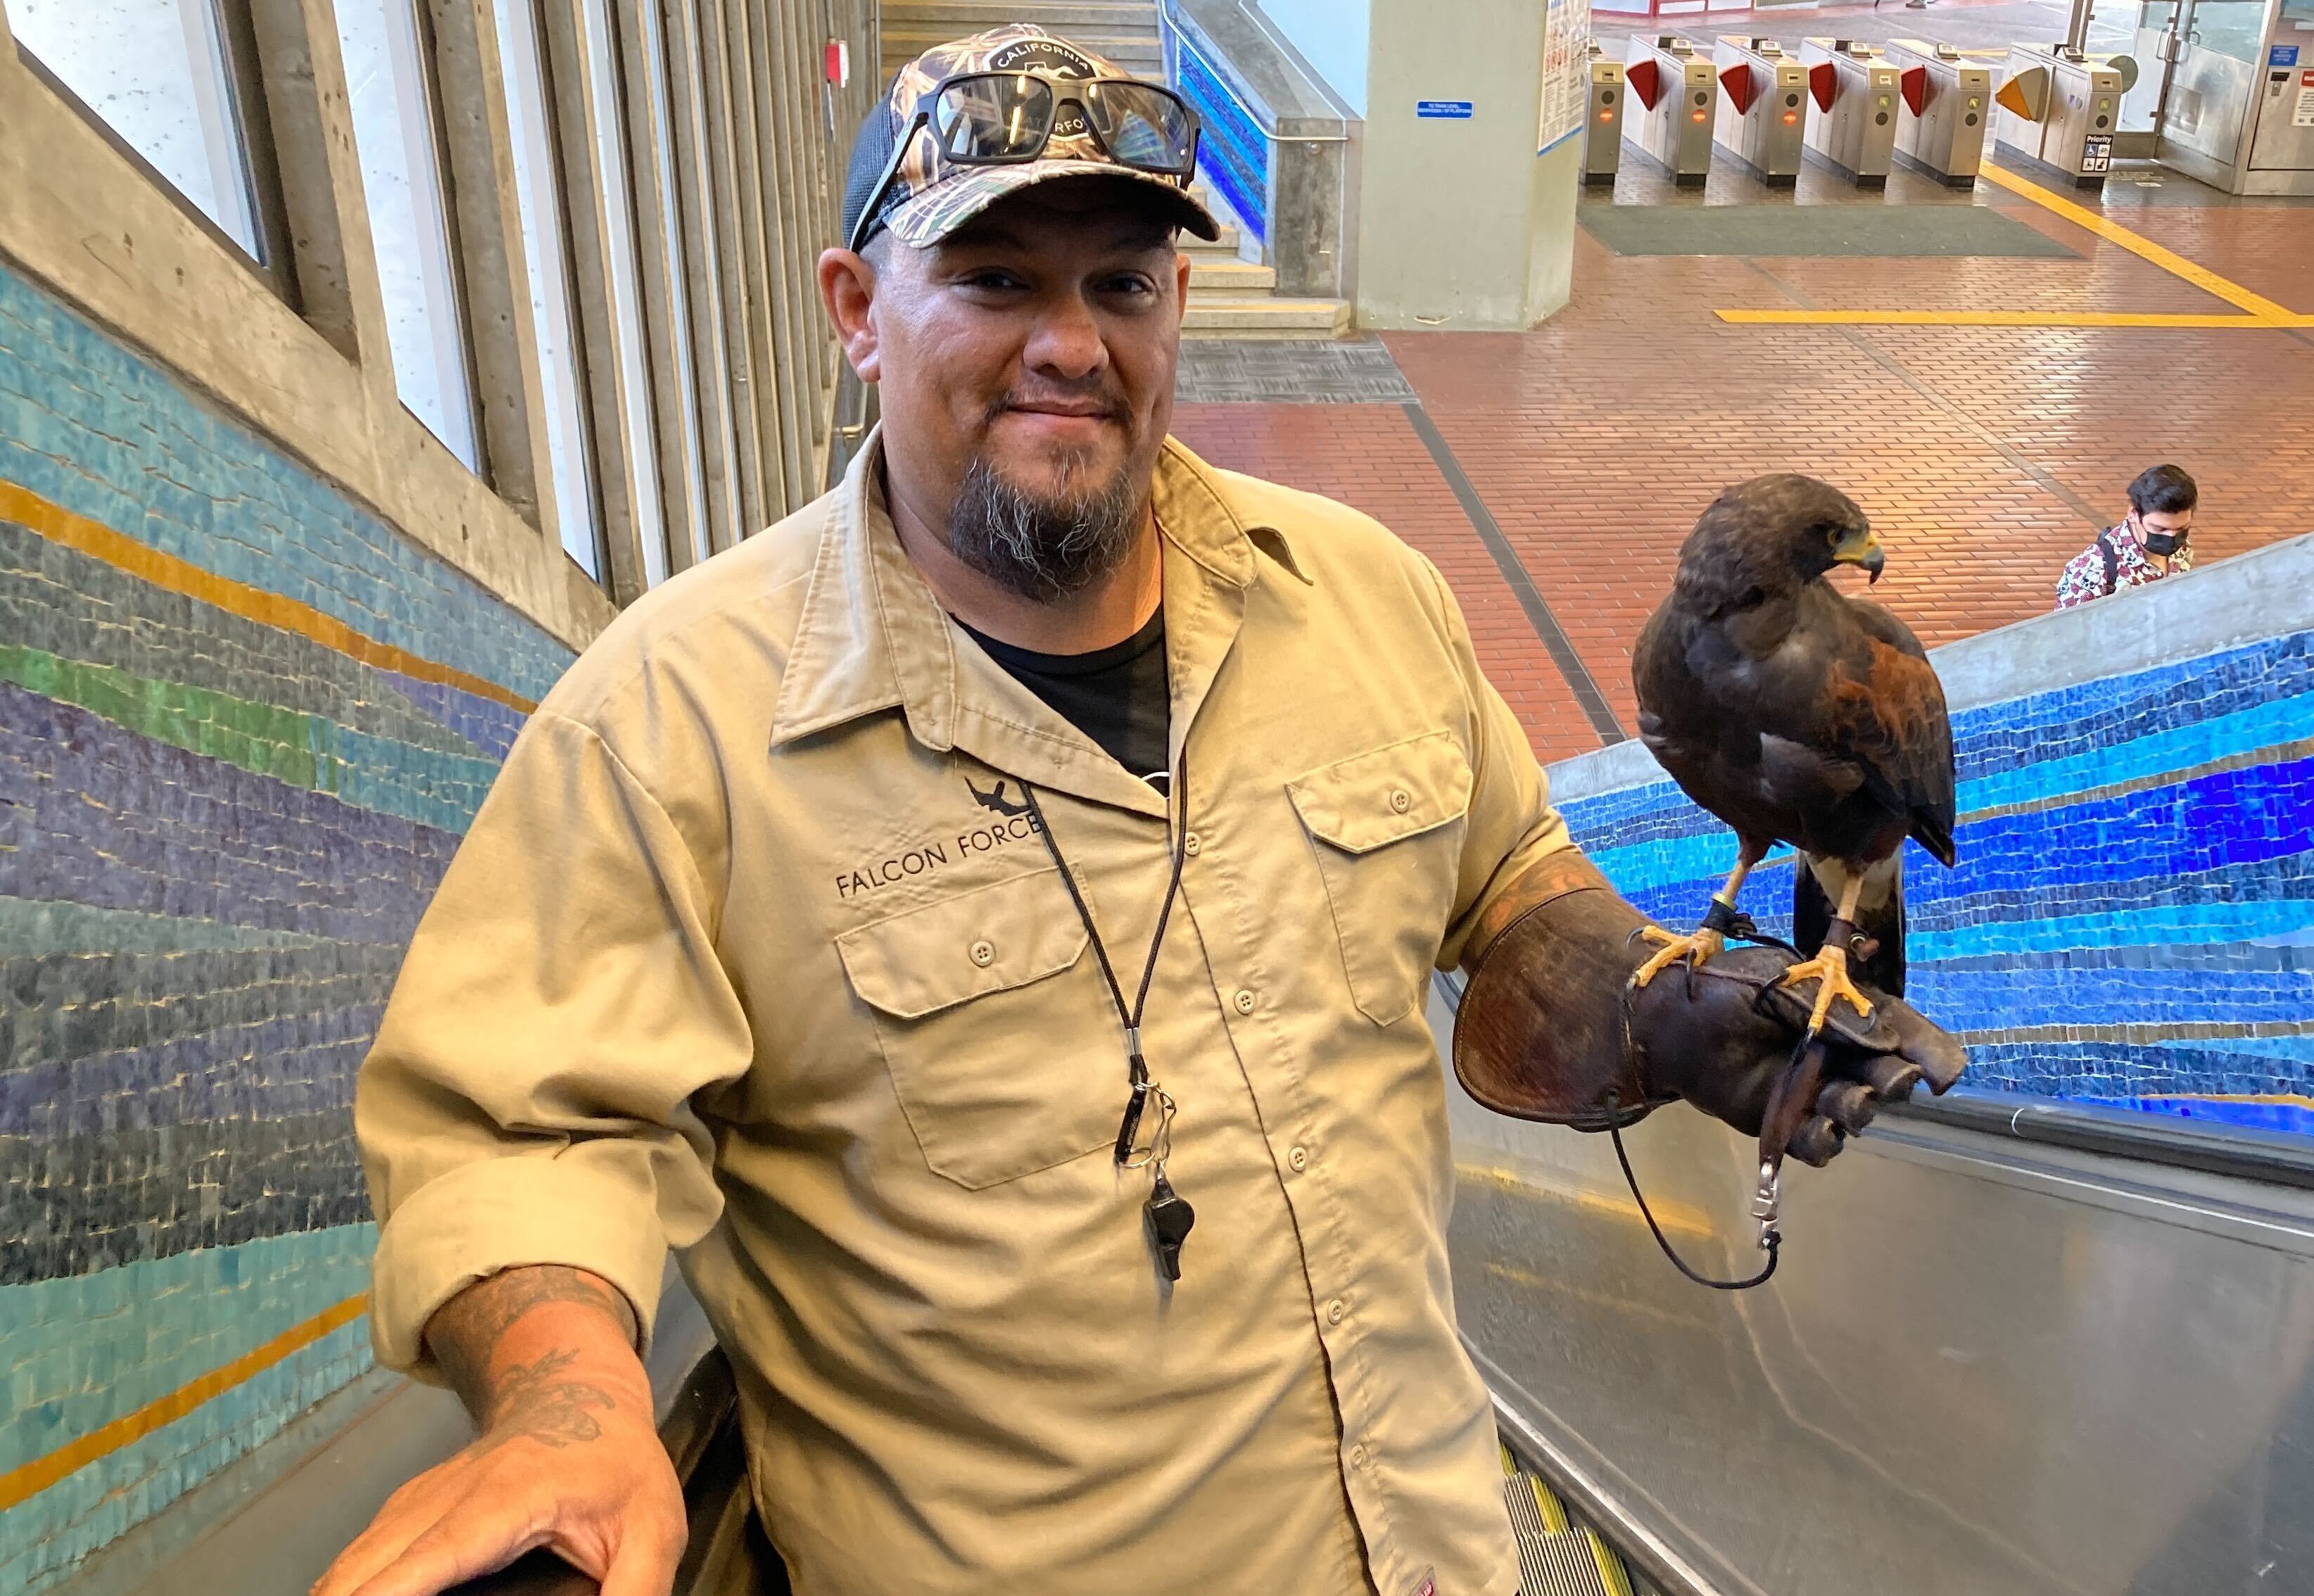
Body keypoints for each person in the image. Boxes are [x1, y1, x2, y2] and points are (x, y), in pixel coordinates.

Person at [315, 27, 1959, 1596]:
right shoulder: (674, 722)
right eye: (994, 278)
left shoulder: (1367, 594)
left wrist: (1670, 1011)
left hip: (1434, 1540)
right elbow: (515, 1130)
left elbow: (1508, 884)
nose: (1070, 341)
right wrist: (566, 1408)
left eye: (1122, 281)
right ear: (857, 311)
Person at [2054, 463, 2196, 609]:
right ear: (2133, 513)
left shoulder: (2183, 548)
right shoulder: (2088, 571)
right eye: (2159, 529)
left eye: (2182, 528)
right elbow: (2067, 628)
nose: (2172, 536)